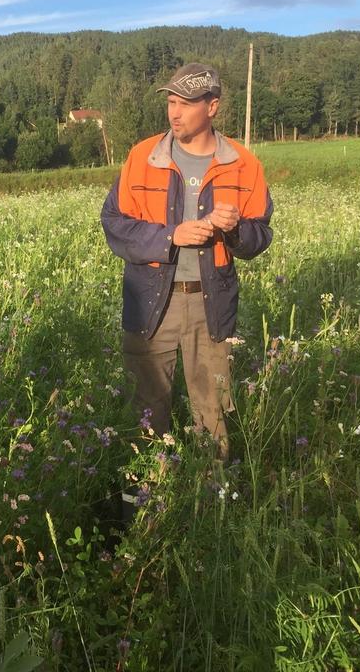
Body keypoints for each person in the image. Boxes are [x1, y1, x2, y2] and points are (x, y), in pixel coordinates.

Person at [100, 63, 273, 467]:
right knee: (146, 413)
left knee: (213, 412)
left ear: (212, 106)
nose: (174, 113)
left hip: (209, 306)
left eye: (186, 103)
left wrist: (235, 231)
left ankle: (210, 510)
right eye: (171, 102)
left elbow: (260, 235)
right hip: (150, 304)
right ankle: (142, 509)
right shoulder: (143, 157)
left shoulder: (244, 164)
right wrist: (169, 237)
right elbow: (114, 224)